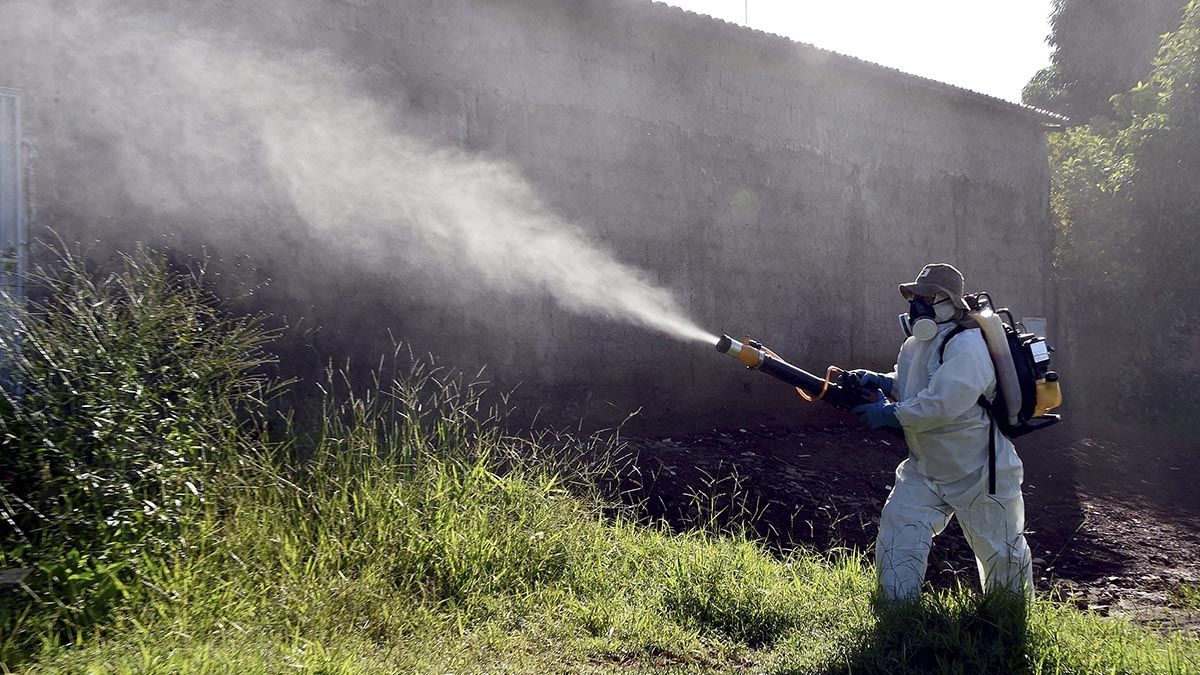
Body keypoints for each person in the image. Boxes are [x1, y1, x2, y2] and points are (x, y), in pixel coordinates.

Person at [849, 263, 1033, 603]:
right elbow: (914, 384)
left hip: (979, 472)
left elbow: (942, 403)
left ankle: (1008, 620)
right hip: (927, 468)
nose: (917, 305)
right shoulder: (916, 344)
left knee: (1001, 552)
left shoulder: (968, 345)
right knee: (900, 529)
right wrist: (882, 382)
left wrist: (890, 414)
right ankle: (897, 610)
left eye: (927, 297)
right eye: (914, 297)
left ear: (951, 302)